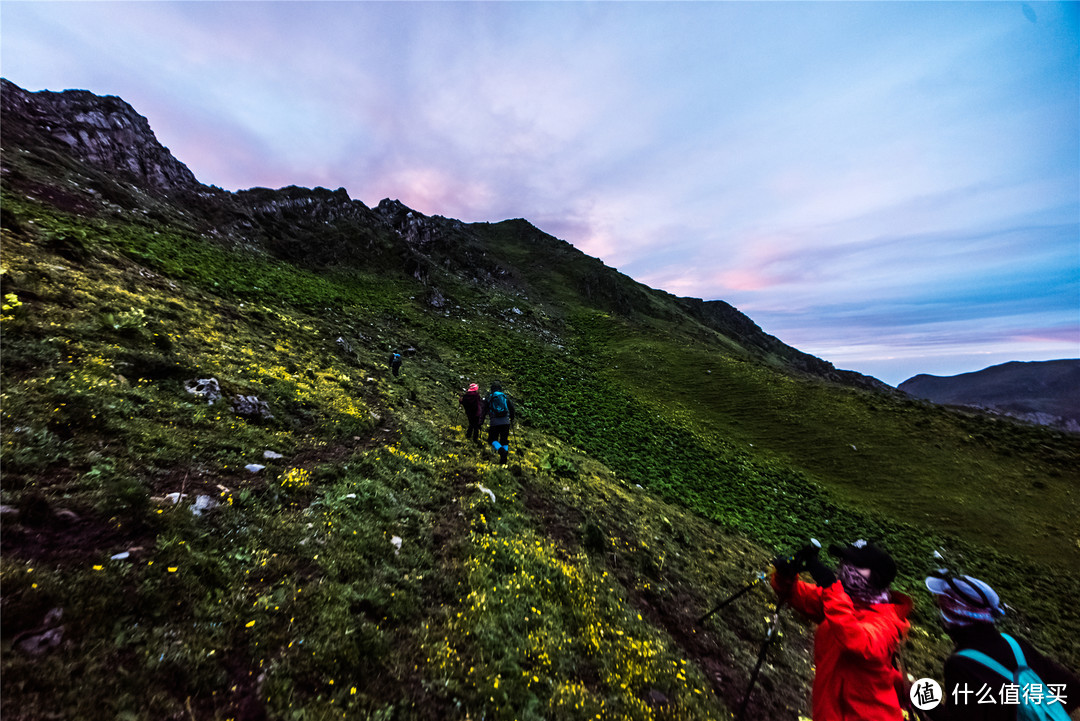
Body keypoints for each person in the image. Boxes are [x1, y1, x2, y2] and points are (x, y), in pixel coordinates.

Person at [771, 539, 912, 720]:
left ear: (877, 577)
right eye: (844, 562)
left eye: (855, 565)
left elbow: (858, 641)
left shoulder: (887, 621)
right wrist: (786, 575)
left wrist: (831, 587)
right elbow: (797, 595)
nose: (845, 568)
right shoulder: (843, 601)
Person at [923, 572, 1079, 721]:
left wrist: (925, 702)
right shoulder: (1016, 643)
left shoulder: (960, 664)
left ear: (953, 615)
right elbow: (1073, 689)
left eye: (940, 606)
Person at [484, 382, 515, 464]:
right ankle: (503, 460)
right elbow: (512, 409)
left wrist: (481, 421)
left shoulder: (490, 397)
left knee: (492, 439)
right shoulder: (505, 397)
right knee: (504, 440)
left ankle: (501, 451)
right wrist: (511, 419)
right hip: (506, 422)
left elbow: (484, 410)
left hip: (495, 422)